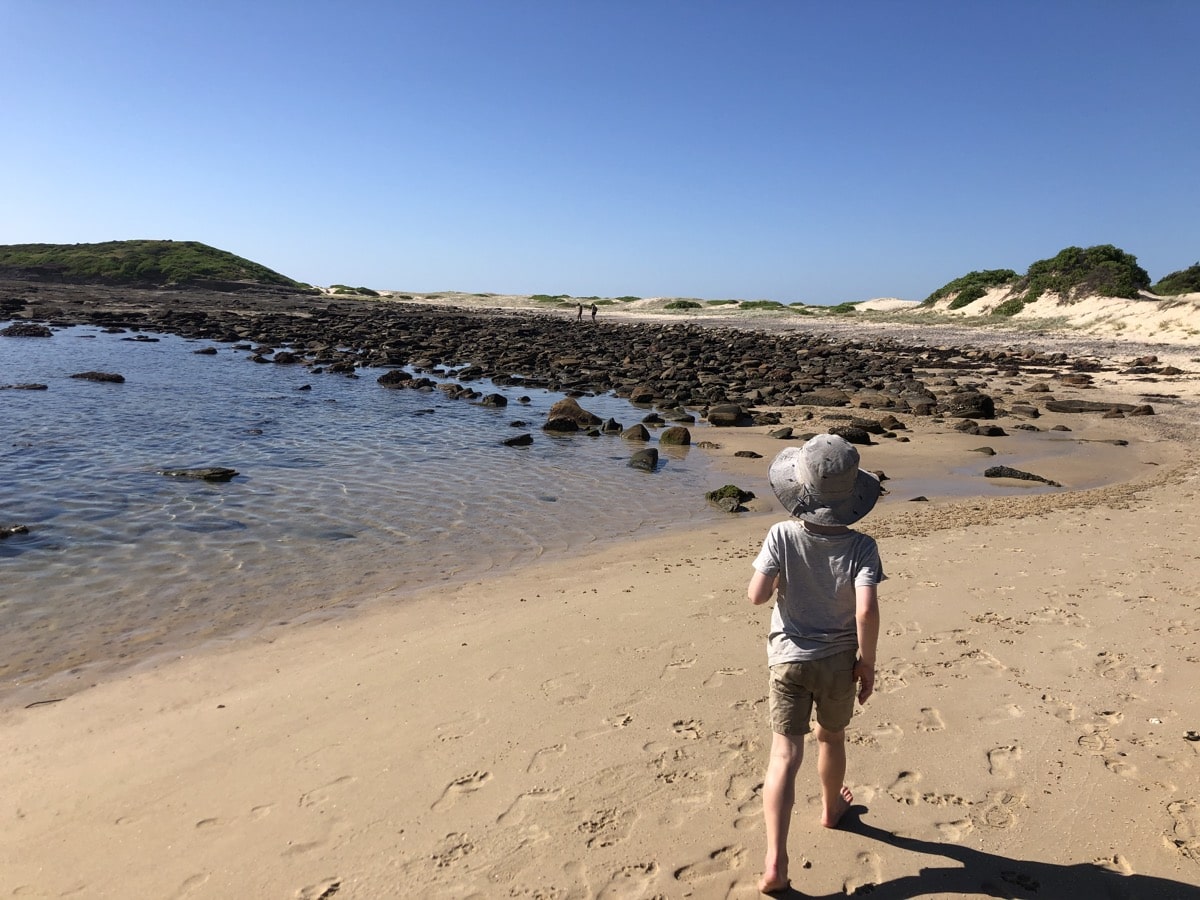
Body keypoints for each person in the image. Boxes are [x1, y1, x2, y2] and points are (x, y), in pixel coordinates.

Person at [747, 434, 884, 895]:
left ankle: (775, 862)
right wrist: (867, 663)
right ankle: (830, 807)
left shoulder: (782, 535)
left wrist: (779, 579)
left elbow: (757, 595)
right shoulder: (862, 547)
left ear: (799, 489)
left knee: (784, 755)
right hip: (839, 661)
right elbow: (866, 611)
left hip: (789, 659)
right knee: (832, 736)